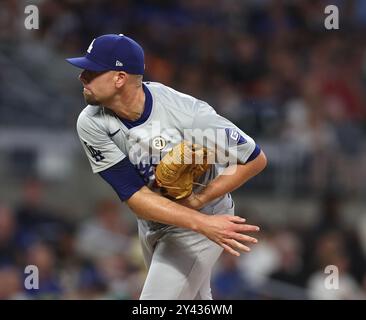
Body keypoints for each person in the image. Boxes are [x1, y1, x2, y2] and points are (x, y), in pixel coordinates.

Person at [66, 34, 267, 300]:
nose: (82, 77)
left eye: (91, 71)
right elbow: (136, 197)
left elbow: (255, 159)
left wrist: (200, 203)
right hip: (155, 220)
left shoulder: (187, 114)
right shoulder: (91, 122)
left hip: (206, 217)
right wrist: (196, 219)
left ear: (119, 78)